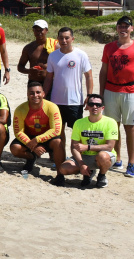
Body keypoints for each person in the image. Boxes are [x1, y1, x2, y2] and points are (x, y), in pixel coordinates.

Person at [98, 15, 134, 178]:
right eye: (120, 26)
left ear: (131, 29)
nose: (123, 29)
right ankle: (118, 158)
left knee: (130, 127)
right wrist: (100, 94)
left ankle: (131, 163)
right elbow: (104, 71)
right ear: (117, 29)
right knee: (113, 127)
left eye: (126, 26)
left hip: (131, 92)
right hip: (111, 90)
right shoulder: (108, 47)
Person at [43, 26, 93, 156]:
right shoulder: (53, 56)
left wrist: (89, 95)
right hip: (56, 101)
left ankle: (77, 157)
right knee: (58, 131)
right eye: (61, 38)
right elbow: (49, 77)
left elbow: (89, 76)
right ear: (57, 39)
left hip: (75, 101)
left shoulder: (81, 55)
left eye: (67, 38)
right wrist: (44, 93)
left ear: (72, 39)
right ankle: (60, 156)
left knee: (77, 132)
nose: (64, 40)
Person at [56, 94, 118, 188]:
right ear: (87, 106)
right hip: (85, 156)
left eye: (98, 105)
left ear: (103, 108)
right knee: (64, 168)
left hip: (103, 155)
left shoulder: (110, 122)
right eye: (91, 104)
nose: (95, 107)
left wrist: (88, 147)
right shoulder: (79, 123)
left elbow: (110, 147)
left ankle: (101, 176)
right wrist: (81, 164)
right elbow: (74, 146)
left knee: (103, 156)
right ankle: (88, 173)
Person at [9, 81, 64, 176]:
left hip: (47, 138)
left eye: (38, 92)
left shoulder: (52, 107)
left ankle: (60, 174)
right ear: (27, 94)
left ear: (43, 93)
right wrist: (33, 146)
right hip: (30, 137)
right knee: (15, 148)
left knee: (58, 142)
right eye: (31, 93)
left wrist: (37, 140)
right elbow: (18, 132)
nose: (35, 95)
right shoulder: (20, 109)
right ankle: (31, 158)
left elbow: (56, 130)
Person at [18, 20, 57, 85]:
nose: (39, 32)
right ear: (33, 31)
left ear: (46, 30)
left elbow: (62, 64)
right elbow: (20, 66)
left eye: (41, 30)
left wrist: (48, 68)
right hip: (34, 82)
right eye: (36, 30)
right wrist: (29, 71)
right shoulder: (28, 48)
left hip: (51, 81)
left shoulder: (54, 45)